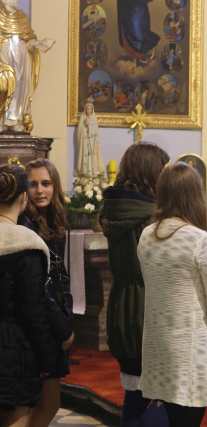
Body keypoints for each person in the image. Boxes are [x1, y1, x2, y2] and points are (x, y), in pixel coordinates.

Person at [137, 162, 207, 427]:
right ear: (195, 195)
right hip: (191, 350)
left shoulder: (145, 237)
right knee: (188, 419)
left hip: (157, 345)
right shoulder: (200, 240)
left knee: (174, 419)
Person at [99, 143, 170, 427]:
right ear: (152, 173)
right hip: (150, 310)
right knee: (158, 397)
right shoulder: (152, 217)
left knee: (134, 392)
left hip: (122, 307)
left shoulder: (114, 210)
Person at [0, 164, 64, 427]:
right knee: (18, 418)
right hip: (12, 344)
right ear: (24, 198)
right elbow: (33, 309)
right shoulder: (26, 243)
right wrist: (49, 357)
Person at [18, 159, 74, 427]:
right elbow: (40, 284)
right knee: (34, 405)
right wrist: (62, 327)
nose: (40, 190)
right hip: (36, 321)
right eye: (33, 184)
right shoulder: (24, 224)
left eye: (46, 183)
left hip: (52, 318)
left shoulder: (57, 219)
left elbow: (61, 275)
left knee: (49, 403)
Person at [0, 0, 54, 132]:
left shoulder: (22, 17)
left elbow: (29, 39)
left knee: (21, 86)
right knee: (6, 84)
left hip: (23, 59)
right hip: (4, 57)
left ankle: (15, 119)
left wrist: (38, 43)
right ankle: (2, 119)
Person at [76, 98, 105, 179]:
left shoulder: (94, 119)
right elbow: (79, 132)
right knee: (86, 158)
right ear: (85, 109)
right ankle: (85, 172)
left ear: (92, 110)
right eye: (87, 108)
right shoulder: (82, 118)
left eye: (90, 109)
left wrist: (90, 127)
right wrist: (84, 131)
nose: (89, 110)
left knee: (92, 158)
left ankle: (93, 172)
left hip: (92, 142)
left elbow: (96, 132)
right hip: (85, 143)